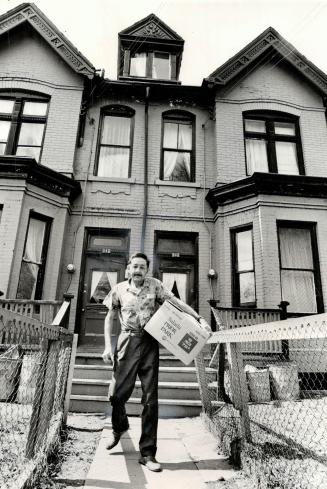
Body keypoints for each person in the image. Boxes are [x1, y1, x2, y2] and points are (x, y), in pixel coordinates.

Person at [102, 252, 211, 472]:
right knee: (116, 395)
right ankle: (119, 426)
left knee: (150, 400)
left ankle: (148, 454)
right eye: (135, 267)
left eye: (142, 267)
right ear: (129, 268)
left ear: (147, 269)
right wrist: (107, 345)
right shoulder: (119, 289)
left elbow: (177, 304)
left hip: (150, 342)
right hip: (127, 341)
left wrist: (198, 318)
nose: (138, 270)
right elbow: (110, 316)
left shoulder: (155, 286)